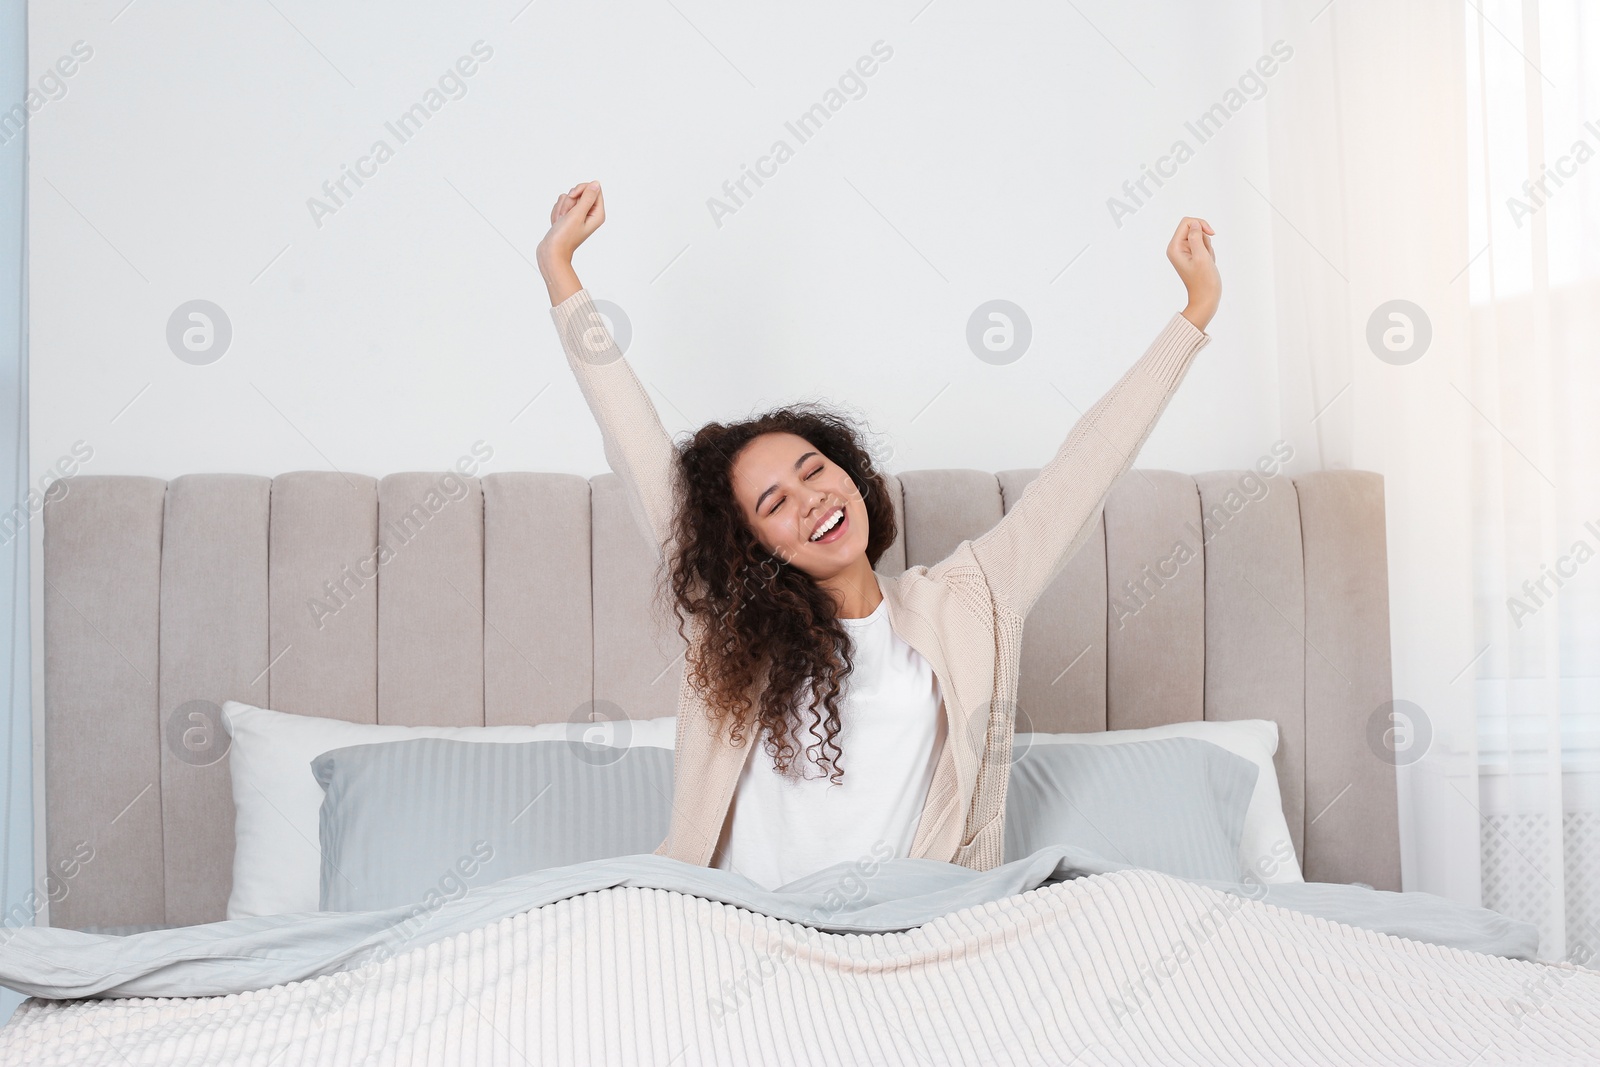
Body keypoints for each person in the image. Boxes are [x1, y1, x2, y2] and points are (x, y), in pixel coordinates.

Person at [536, 179, 1219, 890]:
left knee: (1114, 897)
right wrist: (562, 272)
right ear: (748, 546)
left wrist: (1193, 314)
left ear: (851, 475)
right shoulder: (732, 621)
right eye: (774, 502)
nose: (811, 499)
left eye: (815, 469)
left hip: (908, 936)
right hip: (743, 934)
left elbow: (1087, 465)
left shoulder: (970, 602)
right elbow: (636, 442)